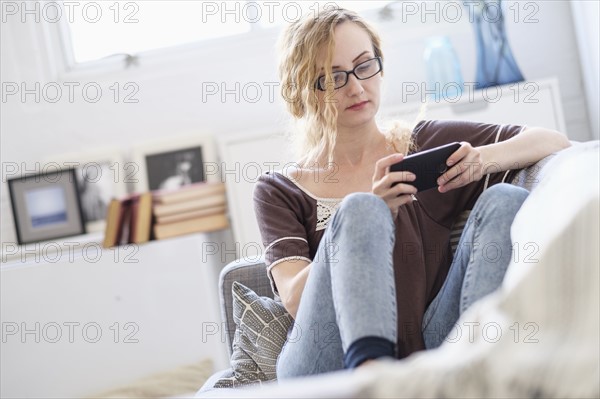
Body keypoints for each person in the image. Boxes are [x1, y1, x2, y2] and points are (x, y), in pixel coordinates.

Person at [253, 7, 570, 379]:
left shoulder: (421, 147)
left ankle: (478, 366)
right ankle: (374, 377)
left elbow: (552, 141)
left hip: (428, 342)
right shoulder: (278, 190)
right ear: (305, 90)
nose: (356, 87)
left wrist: (482, 159)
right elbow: (293, 299)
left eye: (364, 65)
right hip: (323, 360)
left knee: (506, 201)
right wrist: (368, 219)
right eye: (334, 77)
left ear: (380, 66)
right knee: (360, 210)